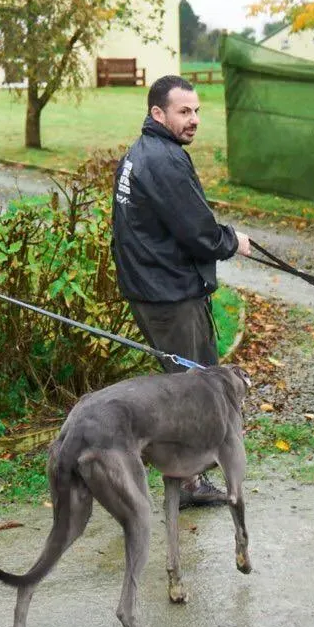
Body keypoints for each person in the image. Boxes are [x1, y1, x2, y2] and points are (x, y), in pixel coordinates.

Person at [111, 74, 250, 507]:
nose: (193, 120)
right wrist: (231, 241)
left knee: (190, 379)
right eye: (183, 112)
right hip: (167, 293)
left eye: (196, 111)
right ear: (158, 113)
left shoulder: (143, 152)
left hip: (155, 287)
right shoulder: (164, 160)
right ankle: (188, 483)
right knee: (191, 388)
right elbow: (197, 230)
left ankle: (189, 474)